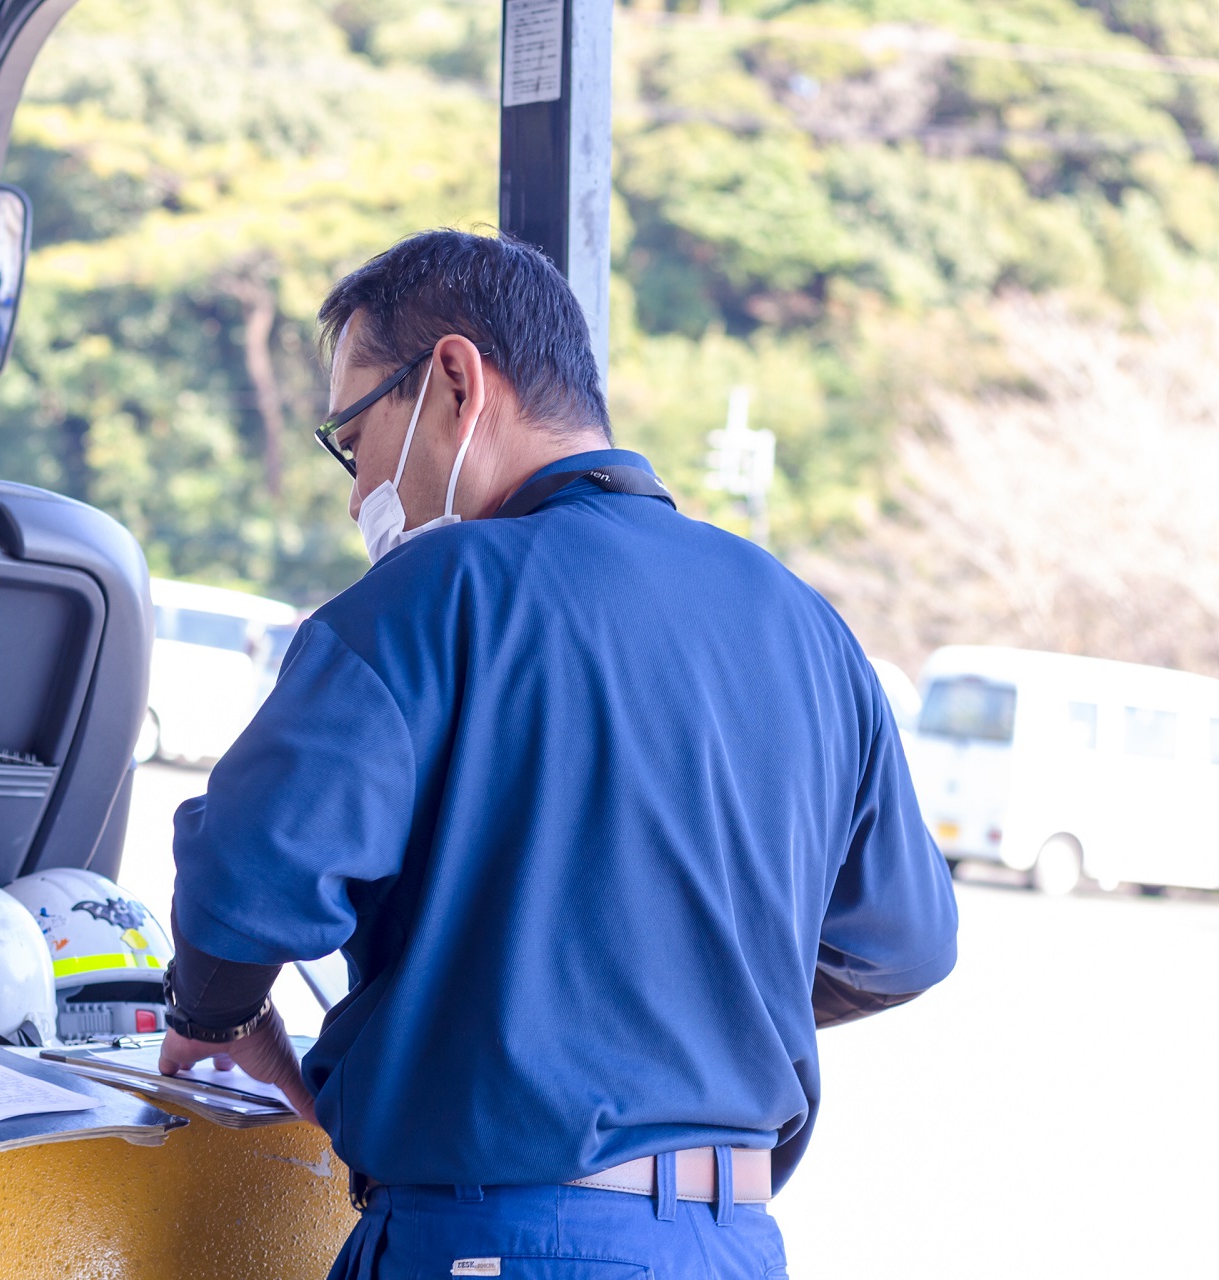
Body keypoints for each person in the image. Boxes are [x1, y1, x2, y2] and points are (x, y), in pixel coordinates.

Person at [157, 230, 957, 1279]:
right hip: (733, 1247)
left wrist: (220, 1013)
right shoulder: (806, 626)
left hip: (500, 1243)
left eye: (355, 442)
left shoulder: (432, 599)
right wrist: (671, 987)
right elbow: (902, 944)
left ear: (453, 380)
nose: (357, 494)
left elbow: (245, 882)